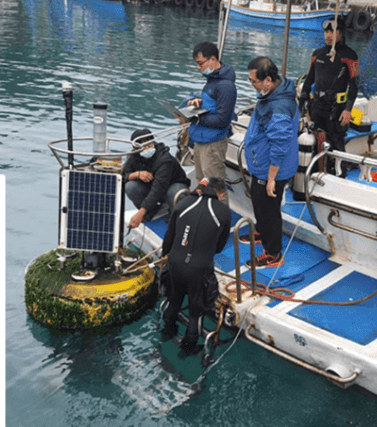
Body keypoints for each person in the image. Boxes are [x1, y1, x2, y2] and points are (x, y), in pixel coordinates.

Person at [160, 178, 231, 355]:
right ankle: (189, 347)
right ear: (221, 194)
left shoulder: (184, 202)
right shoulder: (223, 212)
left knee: (174, 301)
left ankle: (167, 332)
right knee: (195, 312)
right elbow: (220, 246)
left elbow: (169, 237)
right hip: (199, 269)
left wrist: (165, 259)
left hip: (175, 263)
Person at [244, 57, 300, 268]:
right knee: (260, 206)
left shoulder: (279, 107)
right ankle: (262, 232)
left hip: (271, 169)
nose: (253, 86)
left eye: (254, 82)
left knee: (269, 210)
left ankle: (273, 253)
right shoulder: (276, 91)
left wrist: (271, 179)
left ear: (268, 80)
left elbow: (280, 144)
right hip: (261, 164)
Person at [178, 41, 237, 206]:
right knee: (201, 182)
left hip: (213, 144)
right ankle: (206, 216)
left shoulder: (225, 86)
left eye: (200, 63)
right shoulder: (212, 80)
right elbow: (210, 106)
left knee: (215, 186)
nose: (198, 67)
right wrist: (195, 102)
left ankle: (220, 222)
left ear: (212, 60)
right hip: (201, 140)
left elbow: (222, 120)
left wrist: (196, 118)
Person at [300, 16, 360, 174]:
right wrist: (302, 102)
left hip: (337, 109)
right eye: (326, 31)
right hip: (318, 106)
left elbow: (353, 87)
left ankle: (342, 176)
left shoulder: (349, 56)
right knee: (315, 140)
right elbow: (308, 81)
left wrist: (348, 110)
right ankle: (315, 173)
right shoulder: (317, 54)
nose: (328, 35)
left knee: (336, 142)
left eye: (332, 31)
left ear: (340, 33)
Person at [123, 128, 191, 229]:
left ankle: (175, 218)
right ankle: (150, 212)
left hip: (171, 185)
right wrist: (136, 174)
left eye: (150, 144)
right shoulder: (134, 156)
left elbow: (158, 188)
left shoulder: (165, 160)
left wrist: (141, 211)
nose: (147, 148)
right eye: (144, 146)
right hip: (151, 186)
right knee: (130, 186)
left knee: (175, 191)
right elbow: (122, 175)